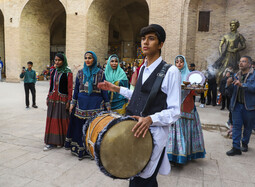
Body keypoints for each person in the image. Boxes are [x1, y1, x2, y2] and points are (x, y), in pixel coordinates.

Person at [98, 24, 181, 187]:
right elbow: (139, 95)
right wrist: (116, 88)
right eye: (143, 38)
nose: (145, 42)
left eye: (151, 39)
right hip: (134, 130)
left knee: (144, 181)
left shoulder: (171, 72)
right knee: (135, 177)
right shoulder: (143, 68)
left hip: (153, 135)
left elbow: (175, 111)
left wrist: (151, 119)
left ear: (161, 44)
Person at [65, 51, 110, 159]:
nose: (88, 60)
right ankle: (80, 150)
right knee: (80, 128)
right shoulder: (80, 73)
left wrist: (108, 104)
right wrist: (72, 103)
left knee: (93, 129)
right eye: (86, 58)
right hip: (81, 105)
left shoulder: (100, 73)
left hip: (96, 105)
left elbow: (104, 90)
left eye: (90, 58)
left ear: (94, 59)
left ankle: (92, 150)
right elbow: (76, 90)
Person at [167, 55, 205, 165]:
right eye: (177, 62)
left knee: (186, 132)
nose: (179, 64)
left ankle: (185, 154)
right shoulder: (171, 75)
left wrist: (199, 90)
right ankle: (175, 155)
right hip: (175, 108)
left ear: (185, 63)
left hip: (187, 107)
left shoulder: (190, 77)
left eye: (181, 62)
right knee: (176, 132)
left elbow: (195, 92)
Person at [226, 56, 255, 156]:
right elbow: (229, 93)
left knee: (248, 127)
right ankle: (236, 148)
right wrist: (228, 84)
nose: (241, 63)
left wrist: (242, 85)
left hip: (250, 106)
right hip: (237, 105)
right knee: (236, 127)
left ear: (249, 64)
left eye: (243, 61)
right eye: (240, 61)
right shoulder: (236, 75)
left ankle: (245, 143)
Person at [44, 53, 73, 151]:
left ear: (63, 61)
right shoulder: (53, 71)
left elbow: (70, 88)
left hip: (62, 100)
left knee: (62, 119)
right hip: (53, 99)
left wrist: (69, 101)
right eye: (55, 60)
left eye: (59, 60)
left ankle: (62, 141)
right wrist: (48, 97)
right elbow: (51, 86)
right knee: (52, 120)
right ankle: (52, 142)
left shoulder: (68, 72)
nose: (57, 62)